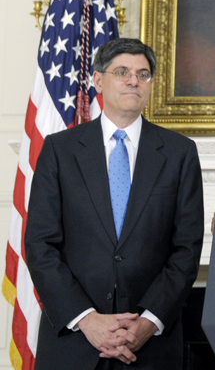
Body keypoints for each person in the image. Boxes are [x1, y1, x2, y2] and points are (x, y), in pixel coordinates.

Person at [25, 38, 204, 369]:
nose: (133, 80)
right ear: (98, 80)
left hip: (151, 346)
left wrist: (148, 322)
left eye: (143, 74)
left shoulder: (180, 153)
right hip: (74, 342)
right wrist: (88, 320)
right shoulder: (59, 151)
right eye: (122, 72)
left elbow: (187, 249)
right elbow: (40, 245)